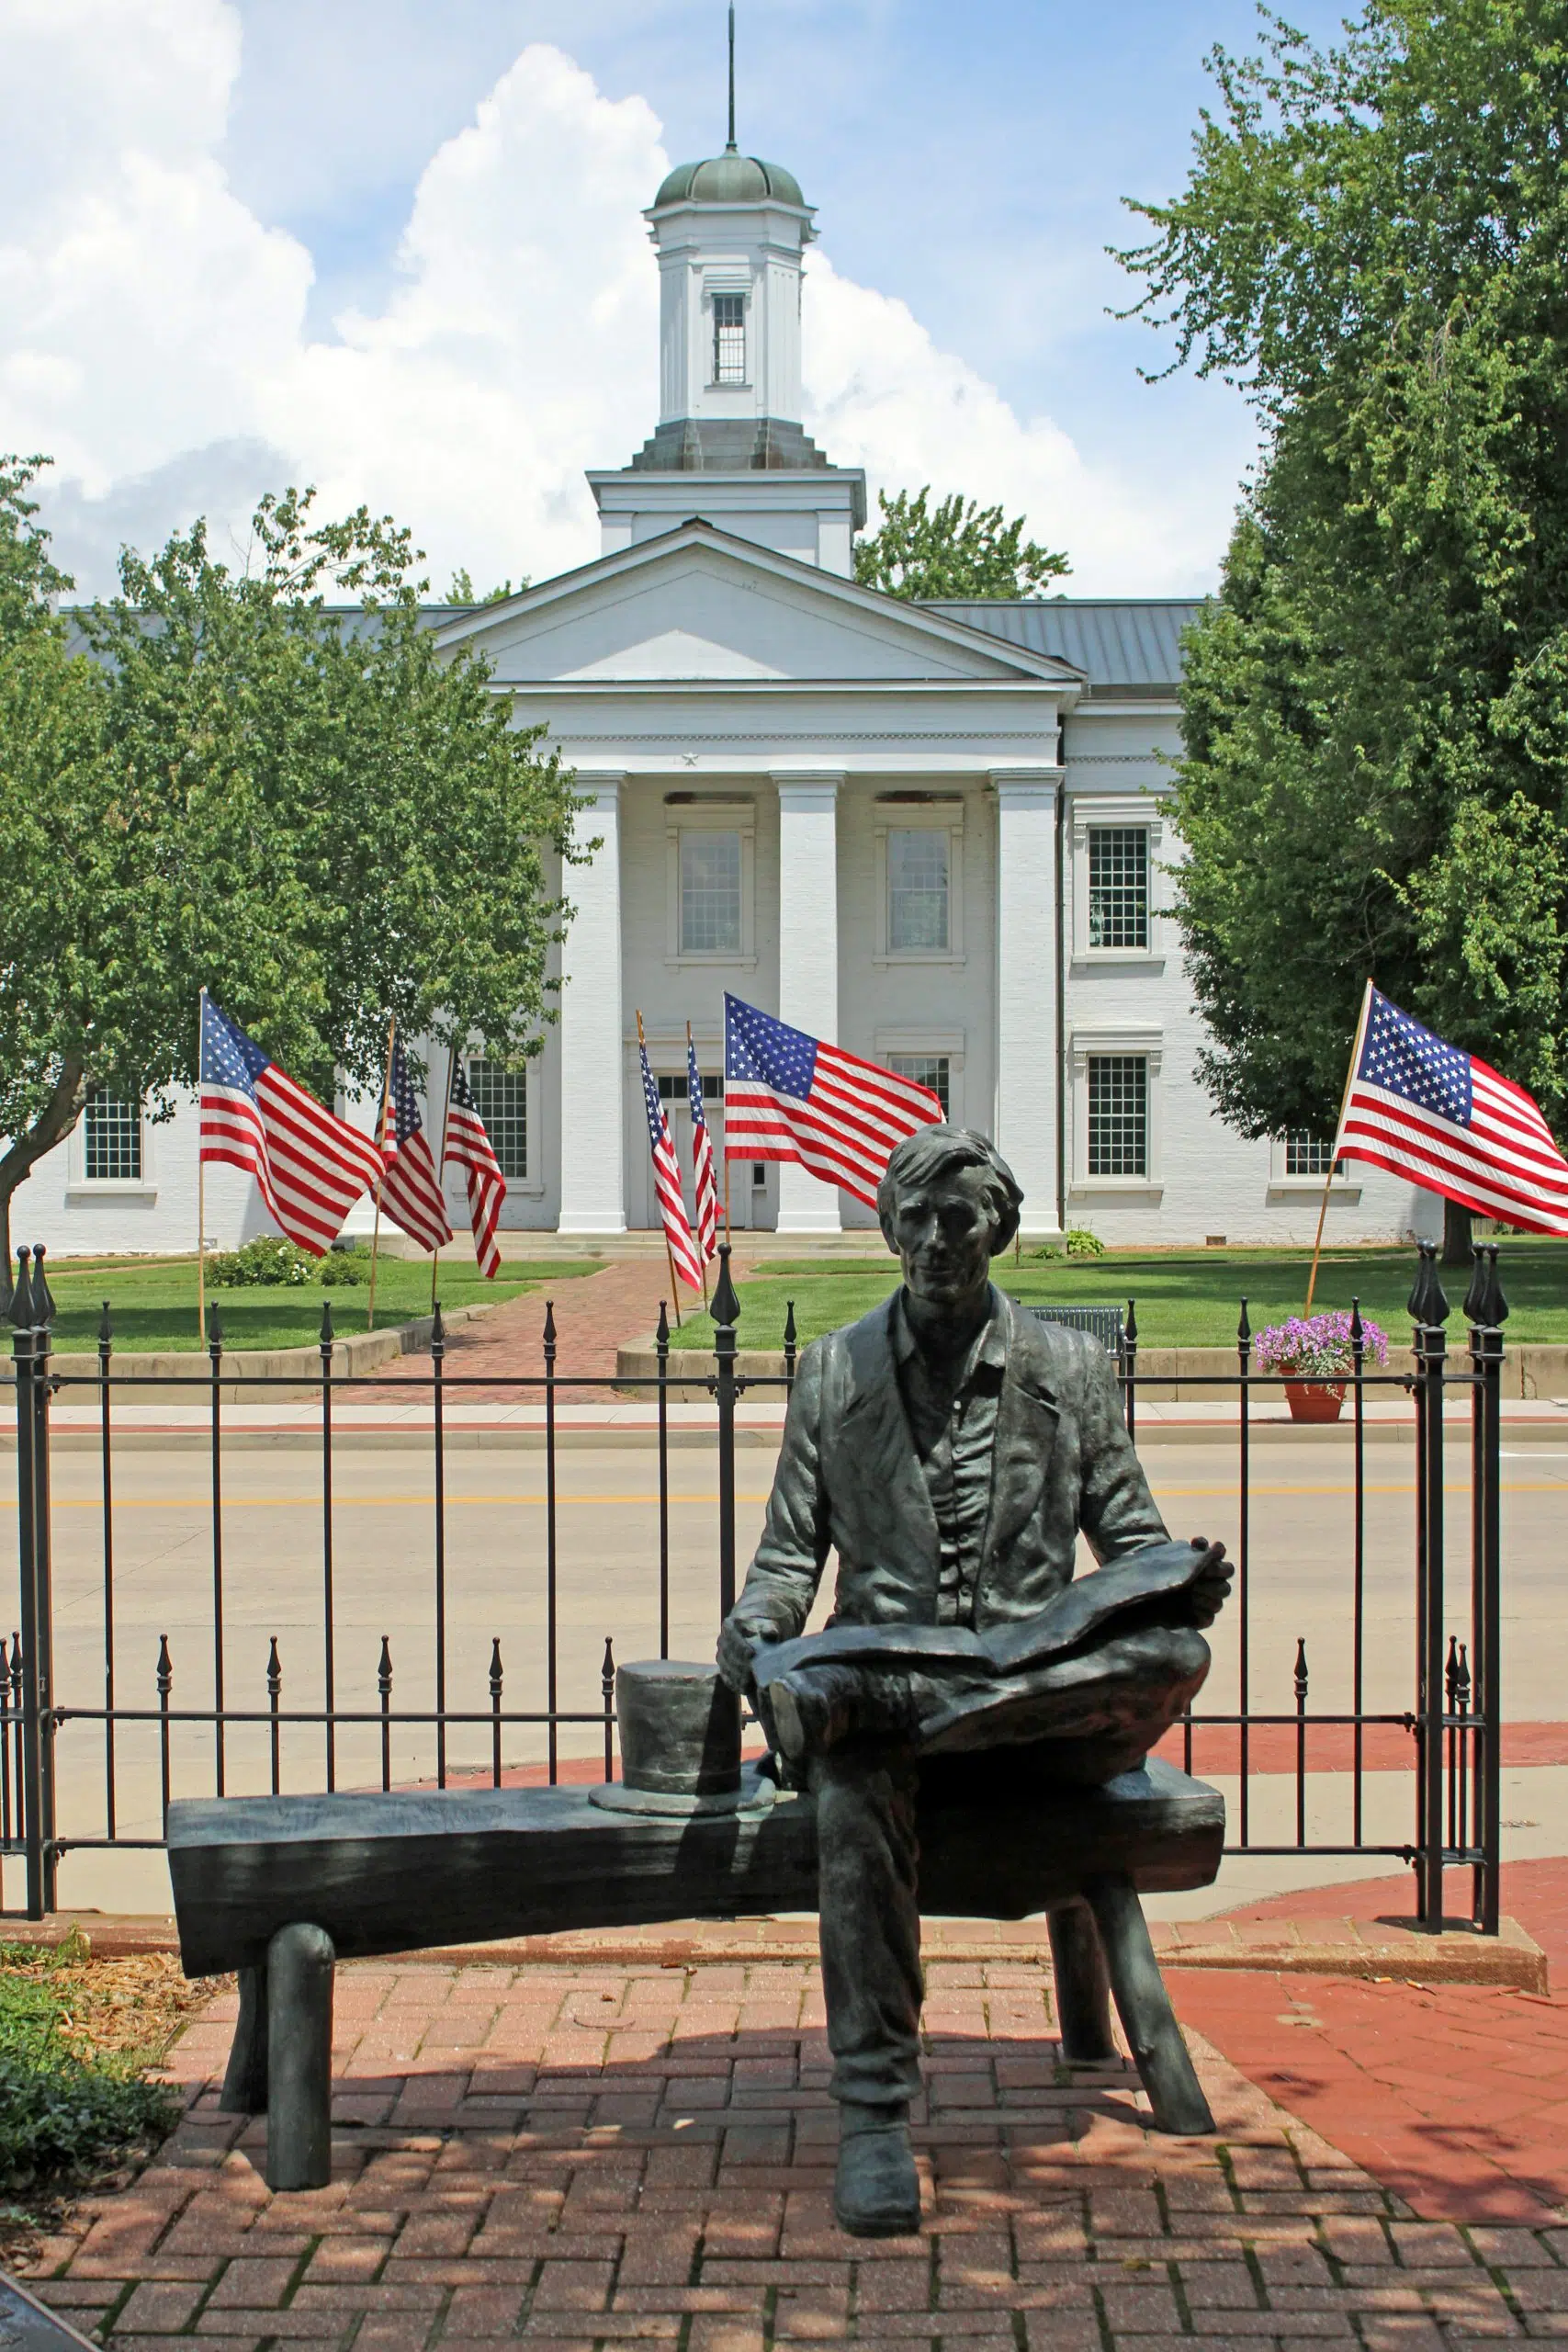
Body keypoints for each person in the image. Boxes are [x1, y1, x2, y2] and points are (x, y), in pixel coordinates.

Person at [716, 1125, 1231, 2238]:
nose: (937, 1240)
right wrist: (754, 1631)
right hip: (888, 1717)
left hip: (1037, 1714)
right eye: (916, 1217)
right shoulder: (832, 1373)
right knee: (856, 1769)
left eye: (961, 1219)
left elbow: (1131, 1539)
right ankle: (872, 2116)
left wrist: (1175, 1581)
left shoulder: (1070, 1374)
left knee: (1173, 1656)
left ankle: (956, 1703)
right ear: (889, 1226)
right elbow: (787, 1563)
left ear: (996, 1229)